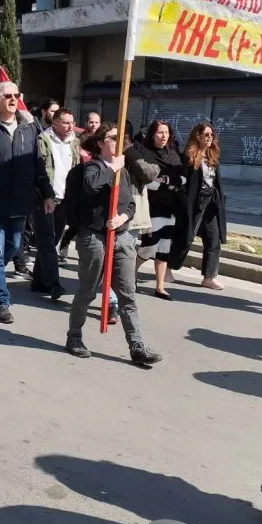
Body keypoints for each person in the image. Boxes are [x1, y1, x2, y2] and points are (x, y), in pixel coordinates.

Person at [65, 123, 162, 366]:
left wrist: (123, 217)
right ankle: (74, 337)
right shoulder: (93, 167)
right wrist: (112, 168)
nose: (118, 142)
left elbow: (131, 204)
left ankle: (137, 346)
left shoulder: (124, 172)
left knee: (128, 294)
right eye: (112, 138)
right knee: (87, 291)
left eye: (121, 138)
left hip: (122, 237)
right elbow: (91, 186)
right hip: (94, 238)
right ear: (100, 143)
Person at [0, 81, 54, 324]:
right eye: (7, 96)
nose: (13, 99)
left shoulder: (29, 129)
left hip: (20, 202)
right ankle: (1, 302)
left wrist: (47, 193)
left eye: (16, 95)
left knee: (12, 246)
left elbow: (38, 164)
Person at [170, 122, 227, 290]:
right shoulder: (188, 158)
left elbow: (216, 182)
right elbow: (183, 183)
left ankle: (209, 277)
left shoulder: (212, 157)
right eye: (206, 134)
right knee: (186, 238)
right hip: (195, 202)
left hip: (211, 202)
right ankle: (168, 268)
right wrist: (184, 202)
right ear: (198, 136)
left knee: (213, 239)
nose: (209, 138)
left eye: (212, 135)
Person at [132, 120, 184, 300]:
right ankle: (132, 269)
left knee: (164, 247)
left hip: (171, 207)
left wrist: (166, 181)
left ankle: (160, 286)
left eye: (166, 132)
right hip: (152, 207)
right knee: (149, 246)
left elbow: (183, 178)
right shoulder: (144, 153)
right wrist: (169, 183)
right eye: (160, 132)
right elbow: (148, 181)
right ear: (152, 134)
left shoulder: (173, 153)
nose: (163, 136)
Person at [32, 107, 78, 299]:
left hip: (65, 198)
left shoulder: (74, 141)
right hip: (44, 197)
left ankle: (38, 280)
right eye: (66, 122)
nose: (70, 126)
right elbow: (38, 170)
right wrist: (45, 194)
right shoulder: (43, 140)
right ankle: (54, 284)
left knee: (52, 240)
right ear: (55, 123)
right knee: (47, 240)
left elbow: (76, 168)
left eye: (72, 122)